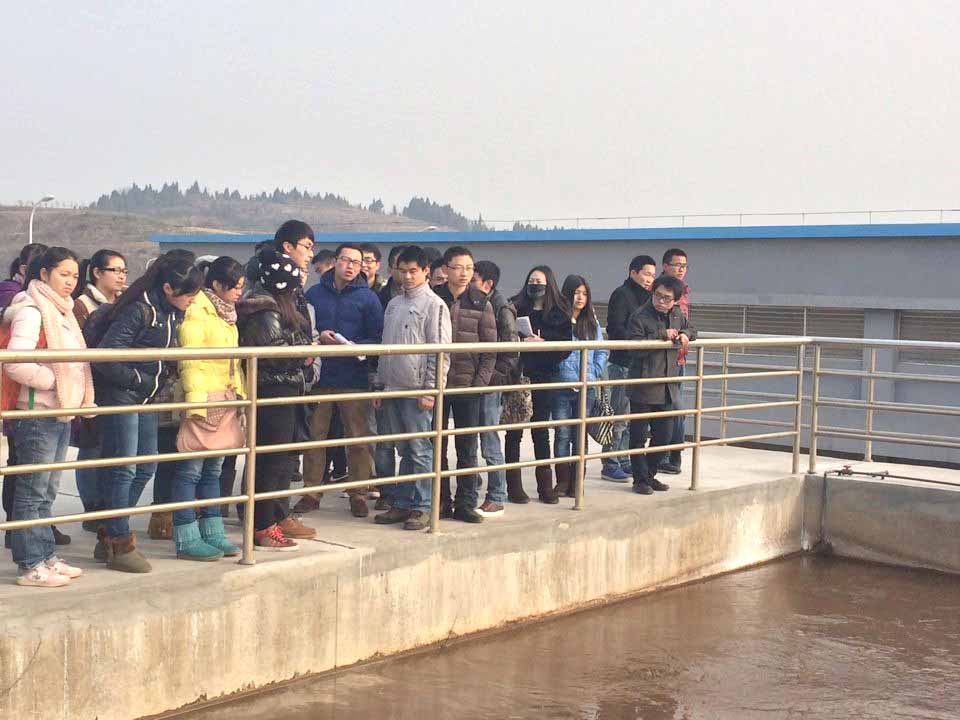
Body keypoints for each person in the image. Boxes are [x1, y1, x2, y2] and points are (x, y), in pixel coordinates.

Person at [85, 252, 203, 573]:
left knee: (146, 465)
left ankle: (110, 528)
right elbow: (107, 356)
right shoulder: (140, 309)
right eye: (189, 293)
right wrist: (139, 379)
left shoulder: (172, 312)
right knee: (123, 468)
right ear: (168, 288)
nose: (193, 299)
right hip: (123, 394)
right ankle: (119, 540)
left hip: (147, 397)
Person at [3, 247, 95, 586]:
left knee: (47, 490)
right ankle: (30, 564)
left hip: (59, 410)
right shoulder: (32, 310)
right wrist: (56, 381)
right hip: (36, 412)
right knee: (32, 490)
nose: (70, 282)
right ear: (44, 274)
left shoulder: (62, 310)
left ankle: (45, 555)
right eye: (63, 274)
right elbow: (15, 362)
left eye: (75, 276)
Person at [237, 246, 316, 551]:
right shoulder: (265, 310)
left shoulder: (274, 307)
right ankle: (263, 525)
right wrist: (303, 355)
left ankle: (268, 521)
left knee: (278, 460)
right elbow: (275, 353)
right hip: (273, 390)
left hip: (284, 389)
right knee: (270, 462)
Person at [169, 257, 247, 561]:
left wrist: (239, 395)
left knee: (214, 470)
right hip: (203, 399)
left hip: (225, 398)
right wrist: (196, 401)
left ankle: (213, 531)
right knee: (190, 470)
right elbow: (190, 359)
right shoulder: (197, 310)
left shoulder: (227, 314)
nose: (239, 292)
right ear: (217, 284)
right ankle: (186, 536)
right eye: (235, 287)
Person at [299, 242, 384, 519]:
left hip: (354, 376)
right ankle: (311, 492)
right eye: (346, 260)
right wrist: (319, 338)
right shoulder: (314, 294)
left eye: (356, 263)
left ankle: (358, 493)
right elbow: (304, 330)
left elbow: (377, 338)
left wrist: (352, 346)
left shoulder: (368, 298)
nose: (350, 266)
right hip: (320, 377)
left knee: (358, 438)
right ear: (335, 261)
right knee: (315, 437)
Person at [372, 246, 451, 530]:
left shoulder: (434, 305)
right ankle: (403, 503)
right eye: (402, 271)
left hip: (417, 388)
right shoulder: (393, 304)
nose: (407, 276)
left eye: (413, 271)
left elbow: (440, 351)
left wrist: (431, 390)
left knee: (420, 450)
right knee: (403, 449)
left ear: (426, 271)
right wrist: (380, 384)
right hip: (393, 386)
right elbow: (385, 347)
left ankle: (423, 506)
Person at [433, 247, 497, 523]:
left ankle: (465, 503)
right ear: (445, 269)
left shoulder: (481, 302)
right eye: (458, 267)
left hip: (467, 385)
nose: (464, 273)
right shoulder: (434, 298)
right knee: (437, 446)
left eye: (469, 268)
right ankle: (440, 501)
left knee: (467, 448)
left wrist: (479, 384)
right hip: (437, 384)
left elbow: (490, 350)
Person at [505, 266, 572, 504]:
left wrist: (544, 342)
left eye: (540, 281)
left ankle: (545, 486)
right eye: (531, 280)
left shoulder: (559, 312)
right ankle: (514, 486)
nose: (535, 285)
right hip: (519, 374)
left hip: (545, 374)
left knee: (541, 430)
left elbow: (566, 345)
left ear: (549, 284)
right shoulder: (515, 306)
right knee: (514, 430)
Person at [71, 249, 127, 529]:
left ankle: (107, 507)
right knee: (92, 449)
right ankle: (92, 509)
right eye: (115, 270)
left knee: (112, 451)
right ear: (96, 272)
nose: (121, 276)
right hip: (91, 386)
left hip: (115, 386)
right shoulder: (81, 305)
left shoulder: (124, 304)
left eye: (124, 271)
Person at [1, 242, 52, 549]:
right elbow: (17, 360)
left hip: (40, 399)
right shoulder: (24, 305)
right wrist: (54, 380)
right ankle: (23, 539)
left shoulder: (55, 308)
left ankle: (36, 538)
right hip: (27, 400)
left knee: (39, 479)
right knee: (27, 476)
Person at [625, 275, 696, 495]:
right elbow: (633, 346)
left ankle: (649, 474)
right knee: (638, 436)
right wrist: (661, 335)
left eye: (667, 298)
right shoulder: (640, 316)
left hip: (667, 385)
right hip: (643, 384)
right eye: (657, 296)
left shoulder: (677, 314)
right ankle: (640, 480)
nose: (661, 301)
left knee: (664, 436)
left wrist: (685, 334)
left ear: (675, 300)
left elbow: (693, 330)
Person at [471, 260, 519, 517]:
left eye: (473, 279)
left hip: (490, 384)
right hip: (473, 380)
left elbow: (510, 351)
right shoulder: (475, 302)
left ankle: (496, 495)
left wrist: (491, 378)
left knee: (489, 439)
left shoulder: (501, 307)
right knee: (470, 437)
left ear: (487, 284)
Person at [602, 255, 656, 483]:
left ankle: (624, 458)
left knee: (632, 417)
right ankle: (610, 461)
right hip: (623, 363)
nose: (649, 279)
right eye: (646, 274)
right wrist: (639, 341)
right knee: (619, 416)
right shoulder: (622, 295)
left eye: (652, 275)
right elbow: (615, 328)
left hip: (640, 365)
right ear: (633, 272)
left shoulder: (650, 298)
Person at [553, 275, 608, 497]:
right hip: (562, 384)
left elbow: (602, 350)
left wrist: (594, 371)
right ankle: (562, 482)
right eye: (576, 293)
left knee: (580, 435)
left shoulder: (591, 322)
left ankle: (577, 482)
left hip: (587, 385)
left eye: (584, 293)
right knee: (562, 434)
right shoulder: (558, 319)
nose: (580, 298)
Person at [659, 248, 691, 474]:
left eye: (684, 266)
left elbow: (689, 326)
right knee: (668, 409)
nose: (681, 269)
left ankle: (673, 455)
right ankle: (664, 455)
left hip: (679, 359)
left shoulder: (684, 292)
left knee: (676, 409)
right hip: (661, 360)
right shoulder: (657, 291)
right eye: (677, 265)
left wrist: (686, 334)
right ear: (665, 266)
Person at [377, 245, 408, 309]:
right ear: (389, 269)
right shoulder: (379, 298)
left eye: (412, 269)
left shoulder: (426, 297)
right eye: (401, 268)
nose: (407, 274)